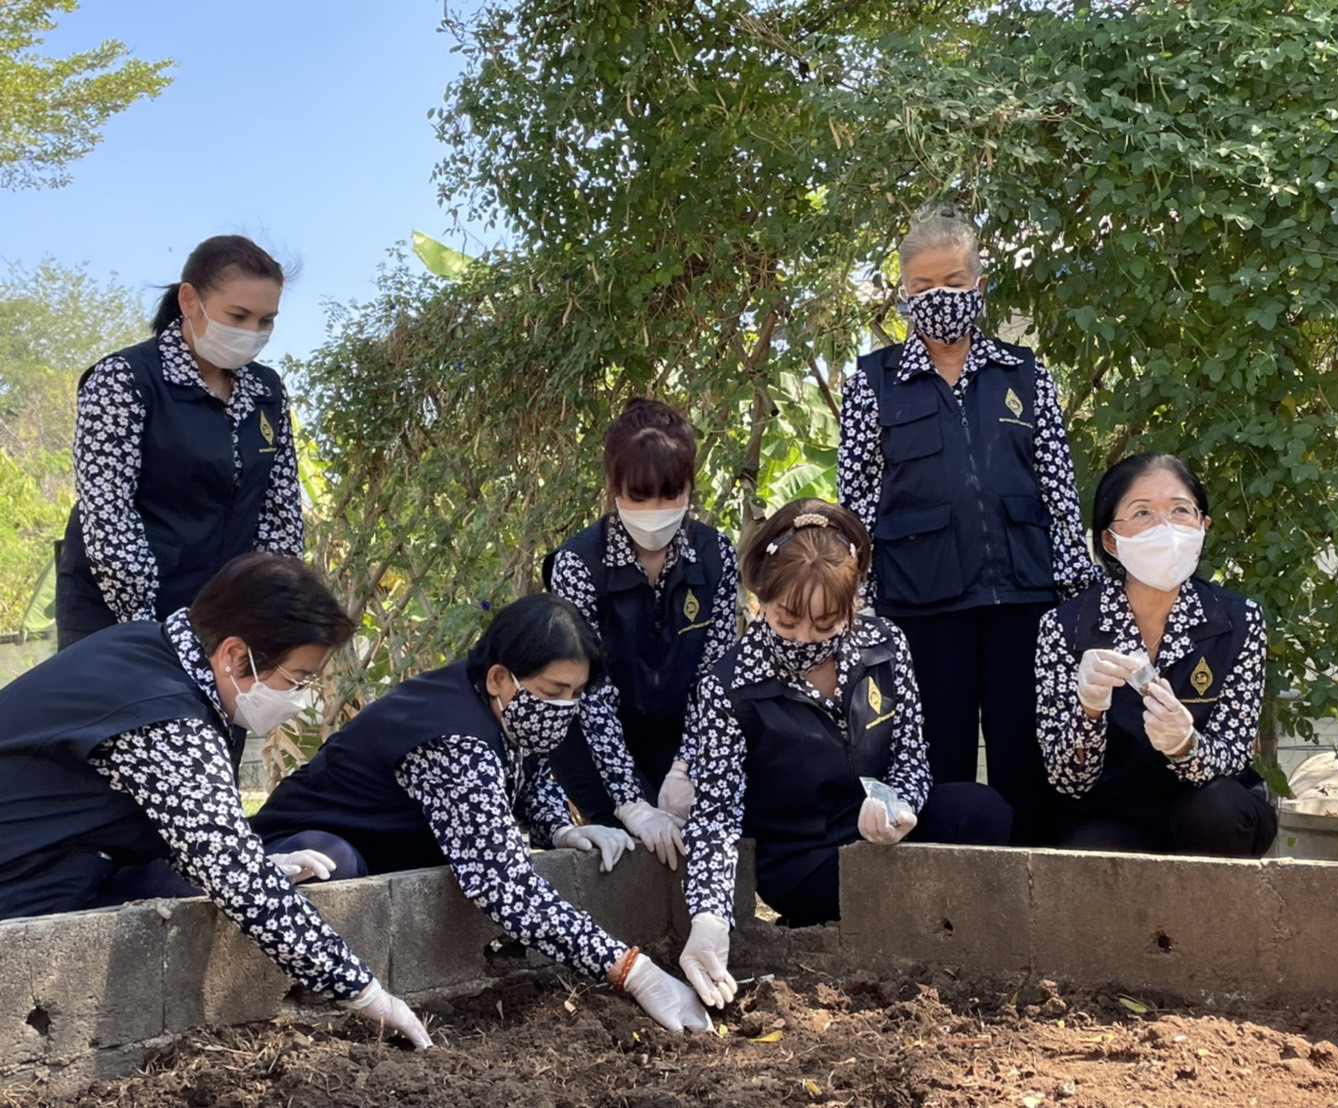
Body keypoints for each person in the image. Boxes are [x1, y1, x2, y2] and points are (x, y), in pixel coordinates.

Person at [0, 553, 430, 1048]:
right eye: (296, 679)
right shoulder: (166, 715)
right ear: (233, 655)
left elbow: (183, 825)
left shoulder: (147, 647)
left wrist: (259, 862)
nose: (301, 698)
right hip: (23, 880)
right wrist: (365, 993)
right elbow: (239, 883)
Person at [251, 593, 712, 1034]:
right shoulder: (454, 740)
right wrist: (634, 972)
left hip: (388, 851)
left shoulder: (497, 706)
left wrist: (558, 829)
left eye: (576, 693)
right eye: (554, 690)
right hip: (298, 846)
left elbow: (524, 765)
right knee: (333, 863)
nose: (564, 707)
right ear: (499, 678)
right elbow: (502, 884)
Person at [676, 499, 1013, 1008]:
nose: (804, 639)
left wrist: (903, 808)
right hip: (804, 857)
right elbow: (717, 814)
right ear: (759, 598)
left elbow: (911, 757)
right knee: (884, 887)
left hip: (886, 832)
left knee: (984, 812)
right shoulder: (727, 685)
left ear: (853, 604)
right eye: (786, 621)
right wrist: (708, 918)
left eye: (825, 625)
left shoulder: (886, 645)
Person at [837, 202, 1097, 844]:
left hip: (1025, 596)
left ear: (979, 287)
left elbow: (1058, 488)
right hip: (922, 602)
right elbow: (857, 502)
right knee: (937, 756)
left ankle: (1036, 892)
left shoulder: (1026, 375)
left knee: (1027, 752)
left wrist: (1079, 591)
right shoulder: (873, 384)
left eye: (953, 283)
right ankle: (946, 905)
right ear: (903, 294)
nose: (939, 297)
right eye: (922, 286)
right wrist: (859, 600)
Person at [57, 235, 303, 648]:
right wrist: (151, 632)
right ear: (190, 301)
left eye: (266, 321)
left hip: (223, 612)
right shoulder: (124, 379)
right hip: (120, 613)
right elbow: (108, 517)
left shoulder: (266, 391)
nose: (252, 332)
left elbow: (280, 513)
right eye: (238, 315)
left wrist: (265, 607)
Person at [1034, 453, 1277, 856]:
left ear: (1203, 526)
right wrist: (1089, 711)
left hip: (1206, 806)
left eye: (1181, 511)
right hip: (1113, 812)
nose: (1165, 527)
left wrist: (1185, 744)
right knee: (1091, 847)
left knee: (1218, 810)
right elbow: (1067, 780)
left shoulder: (1238, 620)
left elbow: (1233, 755)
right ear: (1110, 539)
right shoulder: (1066, 627)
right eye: (1142, 512)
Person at [544, 398, 739, 868]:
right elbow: (589, 694)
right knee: (632, 851)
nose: (656, 511)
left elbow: (714, 676)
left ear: (690, 488)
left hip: (681, 733)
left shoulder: (716, 556)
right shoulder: (577, 566)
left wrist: (686, 765)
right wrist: (630, 801)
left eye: (670, 496)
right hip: (598, 737)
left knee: (699, 835)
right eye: (640, 497)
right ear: (614, 490)